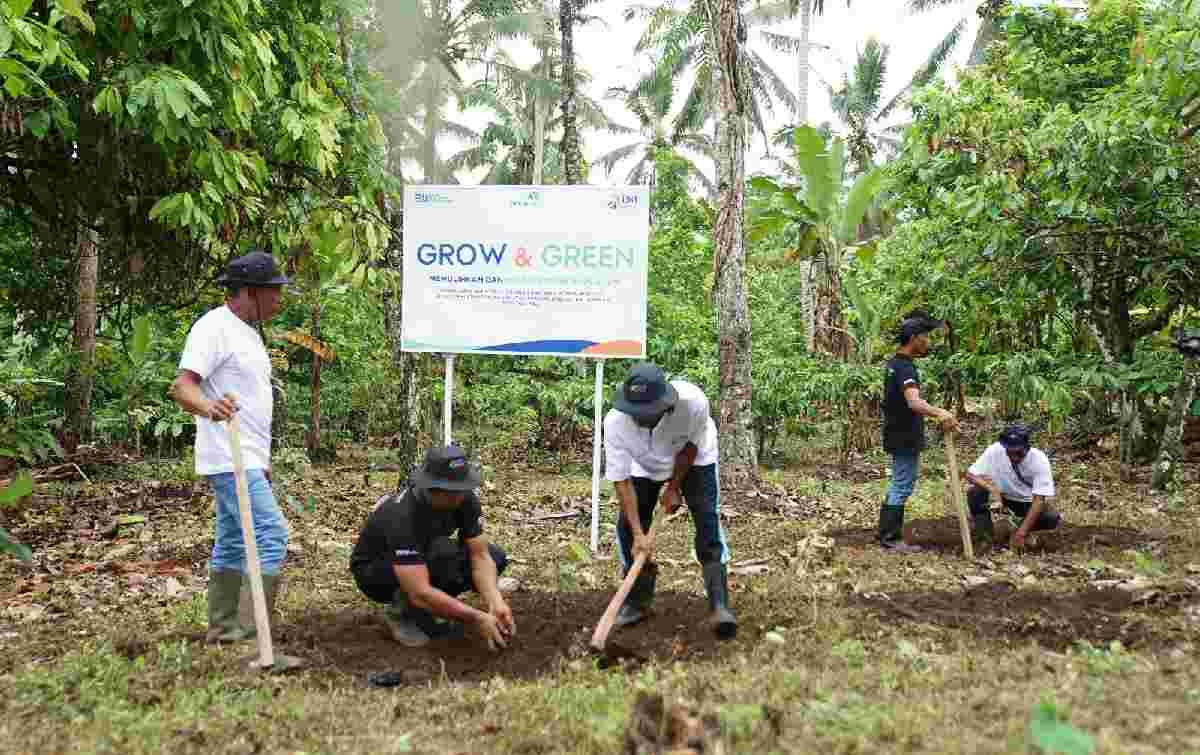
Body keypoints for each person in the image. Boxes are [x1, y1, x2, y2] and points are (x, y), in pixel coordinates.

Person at [170, 250, 293, 644]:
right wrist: (210, 407)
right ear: (248, 292)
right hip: (228, 455)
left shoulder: (248, 331)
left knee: (233, 539)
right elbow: (182, 386)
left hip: (249, 455)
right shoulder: (214, 327)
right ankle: (253, 629)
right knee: (271, 534)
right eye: (273, 291)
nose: (279, 299)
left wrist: (264, 459)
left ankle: (224, 628)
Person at [604, 362, 736, 640]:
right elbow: (621, 480)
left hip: (694, 458)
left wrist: (674, 487)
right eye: (634, 412)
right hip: (643, 465)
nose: (639, 418)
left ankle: (719, 604)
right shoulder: (615, 422)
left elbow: (690, 447)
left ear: (664, 403)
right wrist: (640, 534)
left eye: (647, 412)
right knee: (627, 528)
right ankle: (638, 602)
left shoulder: (693, 403)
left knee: (706, 518)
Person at [350, 445, 515, 650]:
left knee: (495, 556)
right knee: (440, 556)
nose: (458, 497)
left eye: (462, 489)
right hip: (375, 571)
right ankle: (400, 613)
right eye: (451, 492)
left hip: (423, 555)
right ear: (431, 487)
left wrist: (495, 602)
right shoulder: (402, 515)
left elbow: (480, 556)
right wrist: (475, 618)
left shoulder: (465, 499)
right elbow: (419, 590)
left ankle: (431, 608)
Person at [879, 311, 961, 552]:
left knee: (899, 481)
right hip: (903, 434)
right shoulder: (904, 368)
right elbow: (914, 403)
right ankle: (891, 538)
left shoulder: (894, 363)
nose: (929, 342)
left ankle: (886, 533)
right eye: (926, 336)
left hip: (897, 431)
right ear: (914, 337)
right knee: (902, 483)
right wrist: (941, 412)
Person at [965, 424, 1062, 548]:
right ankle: (985, 538)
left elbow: (1039, 501)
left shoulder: (1039, 460)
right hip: (1003, 498)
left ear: (1027, 447)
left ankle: (1015, 530)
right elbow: (970, 474)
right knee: (975, 492)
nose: (1015, 457)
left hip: (1027, 503)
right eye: (1010, 453)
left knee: (1051, 518)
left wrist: (1021, 533)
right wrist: (992, 489)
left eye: (1019, 453)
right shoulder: (995, 450)